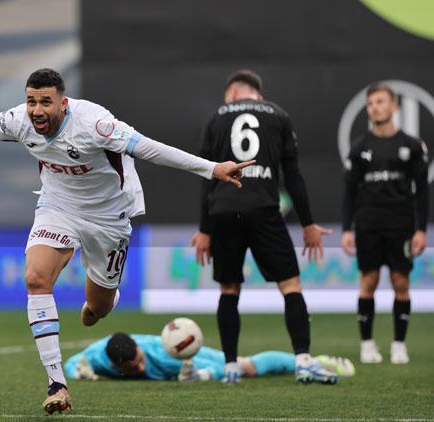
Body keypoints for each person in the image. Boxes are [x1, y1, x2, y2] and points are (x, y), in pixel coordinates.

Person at [0, 68, 252, 414]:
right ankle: (56, 384)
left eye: (45, 102)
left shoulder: (95, 123)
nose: (37, 110)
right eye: (32, 101)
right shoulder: (19, 119)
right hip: (57, 207)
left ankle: (103, 298)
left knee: (95, 311)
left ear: (62, 103)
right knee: (36, 278)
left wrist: (212, 168)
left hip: (108, 217)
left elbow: (149, 149)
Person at [191, 70, 335, 384]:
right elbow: (293, 176)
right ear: (259, 93)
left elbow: (207, 176)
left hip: (224, 211)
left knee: (229, 289)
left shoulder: (216, 117)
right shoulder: (278, 115)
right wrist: (308, 223)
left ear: (232, 92)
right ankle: (304, 361)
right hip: (264, 208)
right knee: (290, 285)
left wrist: (204, 229)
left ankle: (230, 367)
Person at [341, 82, 428, 365]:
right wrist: (346, 229)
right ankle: (367, 344)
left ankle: (399, 345)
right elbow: (350, 192)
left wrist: (421, 229)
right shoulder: (359, 148)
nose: (375, 107)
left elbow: (422, 190)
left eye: (380, 101)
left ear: (394, 107)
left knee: (400, 282)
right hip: (368, 223)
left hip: (401, 223)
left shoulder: (411, 146)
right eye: (370, 103)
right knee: (369, 281)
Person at [65, 332, 354, 382]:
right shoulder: (100, 357)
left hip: (185, 352)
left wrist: (202, 375)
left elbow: (218, 370)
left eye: (140, 360)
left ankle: (314, 361)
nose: (141, 368)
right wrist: (80, 373)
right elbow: (72, 362)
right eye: (133, 367)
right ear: (116, 366)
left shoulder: (163, 357)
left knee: (245, 366)